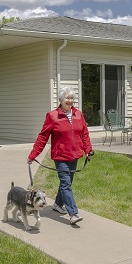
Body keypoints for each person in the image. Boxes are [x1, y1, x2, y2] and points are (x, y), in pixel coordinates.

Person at [27, 85, 94, 225]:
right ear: (61, 99)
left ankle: (57, 204)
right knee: (65, 184)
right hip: (60, 156)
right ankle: (73, 213)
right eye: (67, 98)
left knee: (67, 183)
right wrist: (33, 155)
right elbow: (42, 137)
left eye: (72, 98)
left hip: (74, 155)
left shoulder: (78, 114)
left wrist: (88, 150)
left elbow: (84, 134)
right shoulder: (52, 116)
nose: (70, 101)